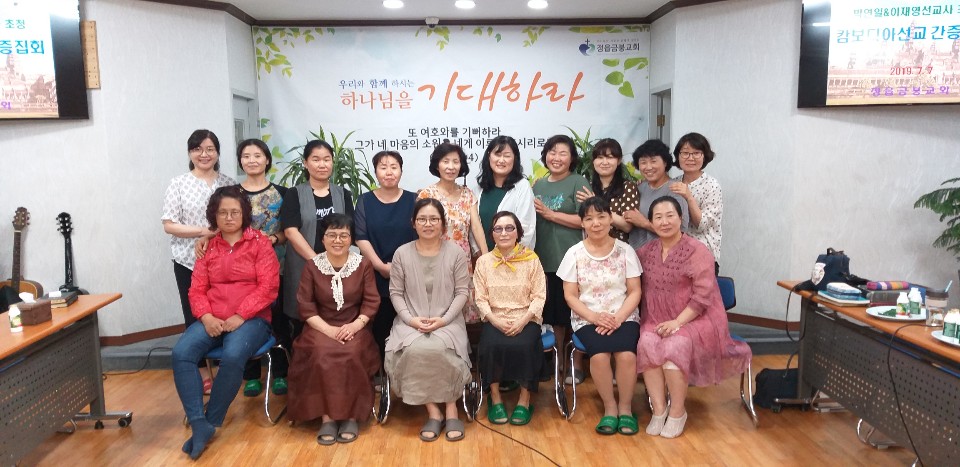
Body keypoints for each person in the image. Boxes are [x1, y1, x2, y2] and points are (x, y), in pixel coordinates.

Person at [171, 186, 279, 460]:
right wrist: (206, 317)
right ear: (214, 216)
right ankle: (198, 422)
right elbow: (196, 289)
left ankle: (211, 421)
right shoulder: (208, 247)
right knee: (181, 353)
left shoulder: (260, 244)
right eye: (223, 213)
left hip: (251, 319)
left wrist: (241, 315)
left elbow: (268, 287)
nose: (229, 218)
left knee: (232, 355)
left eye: (235, 212)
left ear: (244, 214)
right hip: (212, 317)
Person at [635, 196, 752, 439]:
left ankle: (677, 412)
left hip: (695, 319)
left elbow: (702, 297)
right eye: (658, 217)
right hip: (656, 317)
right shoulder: (646, 251)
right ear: (651, 222)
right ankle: (659, 410)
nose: (664, 221)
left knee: (674, 348)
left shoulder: (697, 251)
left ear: (681, 218)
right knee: (646, 343)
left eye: (670, 215)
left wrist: (677, 323)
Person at [196, 138, 291, 398]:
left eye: (257, 155)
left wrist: (272, 240)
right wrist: (205, 238)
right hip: (238, 267)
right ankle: (250, 376)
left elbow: (289, 231)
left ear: (267, 160)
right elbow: (219, 225)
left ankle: (280, 373)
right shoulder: (231, 193)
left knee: (277, 321)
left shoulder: (282, 193)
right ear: (240, 161)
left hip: (276, 266)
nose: (252, 160)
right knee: (241, 317)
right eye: (246, 156)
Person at [287, 214, 380, 445]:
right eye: (332, 235)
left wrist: (355, 325)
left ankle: (351, 416)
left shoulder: (363, 264)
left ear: (351, 239)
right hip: (320, 327)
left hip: (354, 326)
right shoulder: (312, 266)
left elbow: (371, 301)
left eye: (343, 235)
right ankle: (327, 417)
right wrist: (328, 330)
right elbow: (305, 305)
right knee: (321, 353)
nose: (337, 240)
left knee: (352, 352)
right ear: (323, 238)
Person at [385, 198, 472, 442]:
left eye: (434, 219)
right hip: (410, 321)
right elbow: (396, 293)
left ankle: (452, 409)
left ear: (443, 224)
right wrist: (411, 320)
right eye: (422, 219)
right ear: (413, 223)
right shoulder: (402, 253)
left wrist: (443, 320)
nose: (428, 224)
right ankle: (434, 412)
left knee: (440, 349)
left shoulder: (455, 253)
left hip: (448, 321)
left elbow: (462, 292)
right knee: (415, 350)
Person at [557, 197, 642, 436]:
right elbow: (570, 296)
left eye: (601, 216)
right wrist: (595, 317)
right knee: (600, 356)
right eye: (589, 218)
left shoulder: (625, 250)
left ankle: (626, 408)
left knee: (626, 355)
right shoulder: (574, 253)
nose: (596, 223)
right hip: (587, 318)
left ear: (610, 219)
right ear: (582, 223)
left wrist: (619, 317)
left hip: (624, 316)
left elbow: (635, 291)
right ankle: (610, 408)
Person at [163, 129, 236, 391]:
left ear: (217, 153)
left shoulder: (228, 183)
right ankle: (203, 373)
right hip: (188, 261)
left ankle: (224, 369)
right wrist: (203, 232)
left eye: (210, 149)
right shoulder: (178, 183)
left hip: (225, 261)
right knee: (195, 316)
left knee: (223, 311)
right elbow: (169, 225)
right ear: (190, 153)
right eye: (197, 149)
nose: (204, 154)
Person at [473, 211, 546, 425]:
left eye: (509, 228)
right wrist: (495, 320)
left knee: (526, 345)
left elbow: (539, 296)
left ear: (518, 233)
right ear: (492, 234)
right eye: (498, 229)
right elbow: (480, 298)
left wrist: (523, 320)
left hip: (526, 318)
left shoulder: (531, 260)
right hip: (495, 318)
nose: (504, 233)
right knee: (490, 345)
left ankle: (524, 400)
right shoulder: (484, 262)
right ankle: (495, 398)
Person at [532, 134, 590, 385]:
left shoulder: (578, 182)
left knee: (572, 315)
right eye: (552, 152)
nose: (556, 157)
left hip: (570, 260)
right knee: (552, 316)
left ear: (572, 158)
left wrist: (551, 214)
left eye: (563, 153)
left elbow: (587, 219)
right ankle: (556, 364)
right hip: (543, 259)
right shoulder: (538, 185)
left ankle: (575, 365)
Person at [280, 139, 354, 333]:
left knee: (336, 314)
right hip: (303, 265)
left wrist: (333, 264)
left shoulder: (343, 194)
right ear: (305, 163)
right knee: (302, 319)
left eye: (327, 159)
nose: (322, 164)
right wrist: (317, 261)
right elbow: (290, 231)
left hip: (338, 266)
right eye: (316, 159)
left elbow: (349, 229)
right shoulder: (294, 194)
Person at [354, 150, 418, 361]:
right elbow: (361, 237)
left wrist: (400, 268)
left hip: (410, 273)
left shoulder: (414, 200)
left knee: (410, 326)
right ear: (375, 172)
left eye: (394, 167)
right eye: (383, 167)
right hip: (375, 273)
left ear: (401, 171)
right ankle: (382, 371)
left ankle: (407, 370)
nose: (389, 172)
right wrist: (380, 266)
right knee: (380, 326)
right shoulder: (364, 201)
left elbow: (422, 236)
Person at [417, 142, 488, 323]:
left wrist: (486, 257)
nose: (451, 167)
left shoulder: (467, 194)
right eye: (445, 161)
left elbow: (476, 227)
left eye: (456, 162)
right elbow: (421, 230)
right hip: (435, 260)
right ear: (437, 165)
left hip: (462, 261)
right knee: (438, 311)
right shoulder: (427, 195)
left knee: (463, 310)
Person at [669, 132, 723, 274]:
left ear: (704, 156)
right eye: (685, 153)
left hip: (702, 256)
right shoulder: (673, 183)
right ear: (678, 156)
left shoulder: (712, 185)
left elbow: (701, 225)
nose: (690, 158)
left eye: (696, 153)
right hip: (674, 255)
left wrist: (688, 196)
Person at [623, 139, 689, 250]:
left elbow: (681, 231)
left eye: (653, 161)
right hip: (636, 254)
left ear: (665, 162)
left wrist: (644, 223)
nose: (648, 167)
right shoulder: (639, 187)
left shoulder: (675, 189)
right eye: (643, 162)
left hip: (663, 254)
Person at [475, 136, 537, 250]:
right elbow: (473, 227)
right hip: (482, 257)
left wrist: (508, 256)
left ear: (514, 158)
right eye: (497, 155)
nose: (501, 160)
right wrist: (480, 253)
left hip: (512, 257)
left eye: (507, 156)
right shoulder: (479, 189)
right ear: (489, 156)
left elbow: (526, 227)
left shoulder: (522, 186)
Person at [575, 138, 639, 241]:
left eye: (610, 157)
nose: (604, 162)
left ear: (619, 161)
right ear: (593, 161)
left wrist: (596, 203)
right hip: (591, 246)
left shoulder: (627, 187)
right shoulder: (587, 187)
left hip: (618, 246)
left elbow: (627, 226)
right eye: (600, 157)